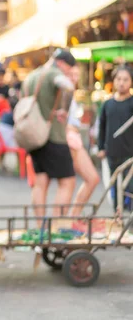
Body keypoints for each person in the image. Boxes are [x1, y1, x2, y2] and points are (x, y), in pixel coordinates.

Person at [24, 49, 76, 219]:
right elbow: (68, 86)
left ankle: (41, 230)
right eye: (68, 69)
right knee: (67, 182)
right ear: (61, 63)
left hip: (34, 136)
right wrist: (64, 110)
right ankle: (56, 227)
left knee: (40, 183)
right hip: (54, 137)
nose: (68, 72)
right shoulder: (54, 73)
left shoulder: (32, 76)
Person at [97, 65, 133, 212]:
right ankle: (117, 218)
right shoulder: (107, 104)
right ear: (114, 80)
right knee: (114, 187)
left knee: (130, 188)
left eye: (125, 79)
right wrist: (101, 147)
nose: (121, 83)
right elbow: (102, 127)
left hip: (130, 155)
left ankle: (130, 223)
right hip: (112, 154)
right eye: (118, 79)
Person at [67, 65, 100, 217]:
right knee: (69, 183)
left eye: (76, 74)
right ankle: (69, 219)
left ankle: (73, 216)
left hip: (74, 139)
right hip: (69, 140)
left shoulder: (70, 93)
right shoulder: (63, 92)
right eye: (71, 74)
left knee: (89, 179)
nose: (74, 78)